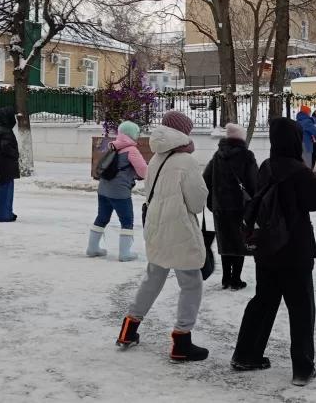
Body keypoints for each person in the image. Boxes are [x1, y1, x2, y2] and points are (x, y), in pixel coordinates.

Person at [231, 117, 316, 387]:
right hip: (295, 249)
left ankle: (246, 354)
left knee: (263, 301)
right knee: (301, 308)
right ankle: (302, 368)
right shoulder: (299, 172)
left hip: (266, 246)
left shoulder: (267, 167)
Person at [115, 111, 210, 362]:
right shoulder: (186, 161)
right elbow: (198, 202)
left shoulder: (157, 156)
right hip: (179, 230)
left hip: (156, 225)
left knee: (152, 279)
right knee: (191, 283)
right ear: (182, 133)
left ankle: (128, 329)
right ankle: (182, 341)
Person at [203, 123, 258, 290]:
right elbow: (254, 182)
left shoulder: (217, 155)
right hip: (240, 207)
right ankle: (236, 279)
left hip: (219, 207)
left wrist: (212, 201)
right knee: (239, 241)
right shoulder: (247, 156)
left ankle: (226, 278)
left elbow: (205, 179)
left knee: (225, 241)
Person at [87, 121, 148, 261]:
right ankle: (125, 253)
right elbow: (144, 172)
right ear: (132, 134)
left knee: (102, 218)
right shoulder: (131, 150)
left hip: (103, 189)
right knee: (127, 221)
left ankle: (92, 248)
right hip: (120, 192)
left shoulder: (113, 146)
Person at [0, 106, 19, 222]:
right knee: (6, 190)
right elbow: (6, 147)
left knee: (5, 189)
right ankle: (4, 214)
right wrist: (15, 154)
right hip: (5, 164)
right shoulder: (5, 130)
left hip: (1, 163)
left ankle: (7, 212)